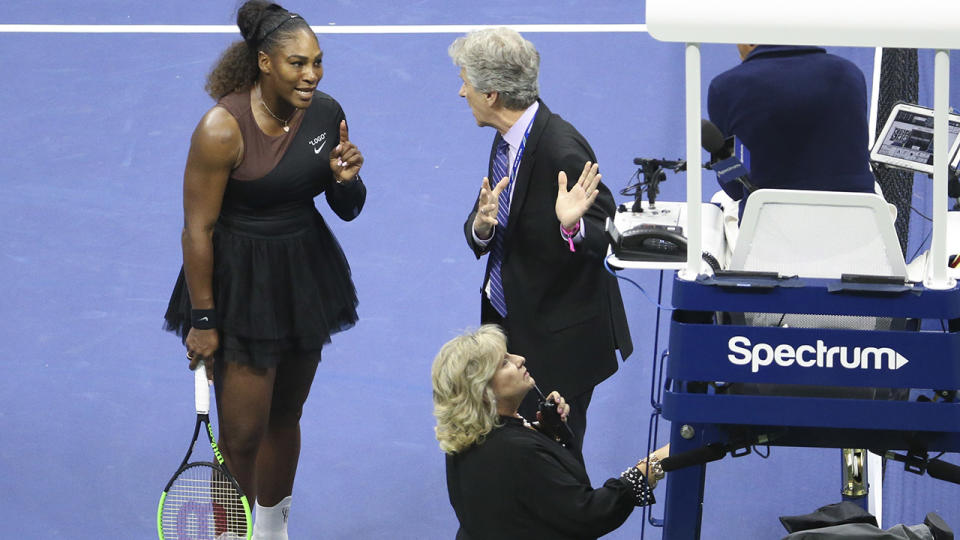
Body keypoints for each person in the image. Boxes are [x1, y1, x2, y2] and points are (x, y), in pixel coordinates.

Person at [162, 2, 366, 538]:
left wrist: (346, 180)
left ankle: (274, 531)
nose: (311, 74)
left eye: (317, 62)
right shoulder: (220, 130)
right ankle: (233, 534)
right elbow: (197, 230)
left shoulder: (326, 113)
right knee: (242, 436)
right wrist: (204, 320)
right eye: (298, 63)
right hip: (238, 284)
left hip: (303, 274)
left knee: (286, 415)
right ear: (264, 63)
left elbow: (347, 208)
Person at [448, 27, 633, 457]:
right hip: (514, 322)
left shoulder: (561, 149)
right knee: (514, 445)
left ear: (492, 93)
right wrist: (482, 226)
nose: (461, 93)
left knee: (554, 456)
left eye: (466, 82)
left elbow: (611, 238)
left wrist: (571, 227)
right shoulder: (508, 137)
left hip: (558, 342)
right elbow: (497, 221)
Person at [432, 325, 668, 540]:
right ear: (483, 391)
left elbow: (525, 492)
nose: (519, 359)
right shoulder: (518, 451)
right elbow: (588, 515)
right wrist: (646, 471)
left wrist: (549, 433)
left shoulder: (464, 433)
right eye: (504, 362)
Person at [707, 44, 877, 220]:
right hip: (860, 229)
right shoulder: (851, 73)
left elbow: (733, 185)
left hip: (768, 235)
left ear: (749, 41)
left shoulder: (724, 87)